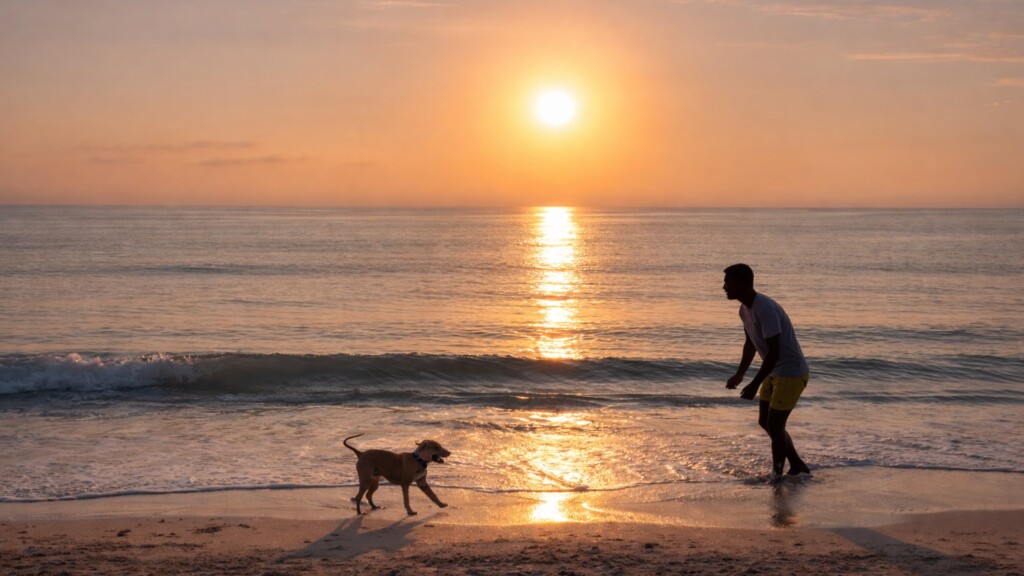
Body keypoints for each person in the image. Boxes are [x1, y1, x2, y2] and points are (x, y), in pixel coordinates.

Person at [722, 263, 811, 482]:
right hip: (776, 372)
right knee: (765, 421)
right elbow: (750, 344)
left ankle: (777, 475)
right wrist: (740, 374)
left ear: (742, 284)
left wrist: (754, 383)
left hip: (790, 372)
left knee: (775, 425)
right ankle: (797, 464)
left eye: (728, 282)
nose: (724, 287)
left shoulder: (765, 308)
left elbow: (774, 352)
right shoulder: (744, 309)